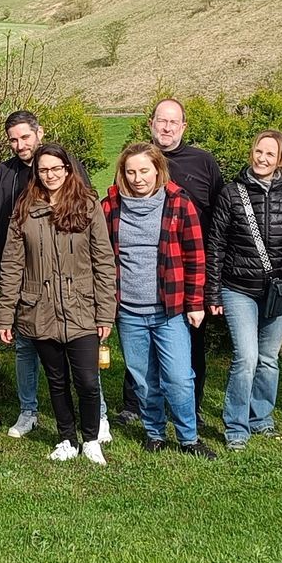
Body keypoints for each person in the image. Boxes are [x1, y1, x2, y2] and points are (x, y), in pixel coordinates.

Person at [0, 144, 117, 465]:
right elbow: (12, 265)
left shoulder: (87, 206)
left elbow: (104, 262)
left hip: (82, 308)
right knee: (57, 380)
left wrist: (105, 312)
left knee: (88, 382)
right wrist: (5, 315)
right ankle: (67, 439)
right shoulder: (24, 210)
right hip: (40, 309)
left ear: (67, 169)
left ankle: (91, 439)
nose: (50, 175)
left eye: (56, 169)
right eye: (43, 170)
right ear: (36, 173)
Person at [100, 143, 216, 458]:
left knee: (179, 378)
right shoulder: (110, 207)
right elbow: (101, 256)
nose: (138, 178)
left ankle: (189, 438)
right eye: (131, 172)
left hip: (170, 309)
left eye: (144, 171)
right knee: (143, 379)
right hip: (129, 312)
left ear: (157, 170)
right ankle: (155, 433)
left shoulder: (178, 203)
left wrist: (195, 302)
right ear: (122, 173)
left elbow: (195, 256)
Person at [206, 131, 282, 451]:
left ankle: (261, 417)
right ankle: (236, 426)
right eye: (258, 151)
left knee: (268, 358)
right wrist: (212, 293)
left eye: (270, 154)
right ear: (251, 152)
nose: (262, 158)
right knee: (247, 357)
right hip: (238, 288)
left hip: (280, 290)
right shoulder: (231, 194)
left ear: (281, 160)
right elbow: (216, 246)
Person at [129, 98, 222, 424]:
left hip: (191, 270)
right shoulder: (137, 162)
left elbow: (219, 217)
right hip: (145, 272)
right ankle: (135, 405)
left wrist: (212, 272)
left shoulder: (203, 162)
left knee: (192, 342)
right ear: (151, 124)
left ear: (183, 126)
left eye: (173, 122)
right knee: (140, 345)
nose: (166, 128)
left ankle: (189, 406)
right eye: (161, 121)